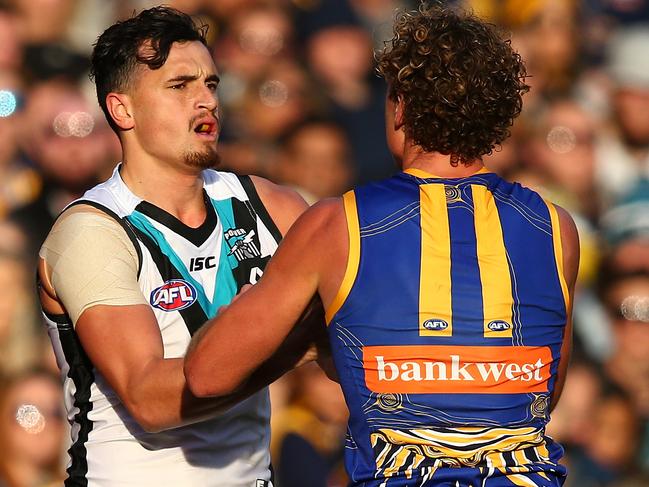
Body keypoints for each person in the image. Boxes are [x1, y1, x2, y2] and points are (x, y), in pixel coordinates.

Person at [185, 4, 579, 486]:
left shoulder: (336, 223)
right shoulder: (557, 228)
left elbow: (207, 375)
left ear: (400, 109)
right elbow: (542, 393)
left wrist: (300, 334)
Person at [37, 6, 313, 486]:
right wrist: (287, 342)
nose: (205, 101)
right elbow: (151, 400)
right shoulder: (92, 230)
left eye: (210, 84)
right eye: (180, 85)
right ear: (122, 109)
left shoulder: (268, 203)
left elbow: (352, 328)